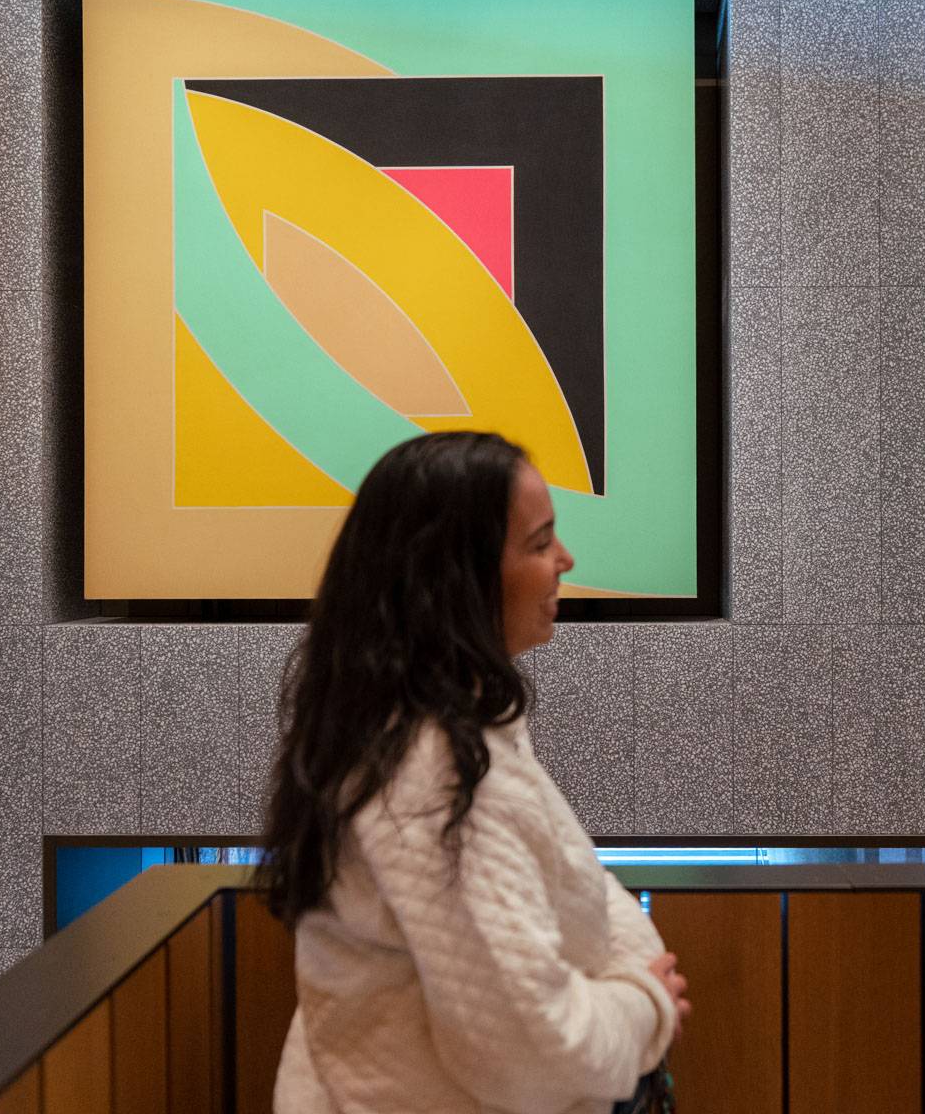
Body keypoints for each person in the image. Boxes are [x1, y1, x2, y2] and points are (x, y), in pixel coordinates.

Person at [258, 431, 690, 1114]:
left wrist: (626, 971)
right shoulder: (430, 769)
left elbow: (576, 887)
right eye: (539, 542)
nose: (564, 560)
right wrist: (641, 1004)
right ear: (456, 575)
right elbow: (524, 1048)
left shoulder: (438, 722)